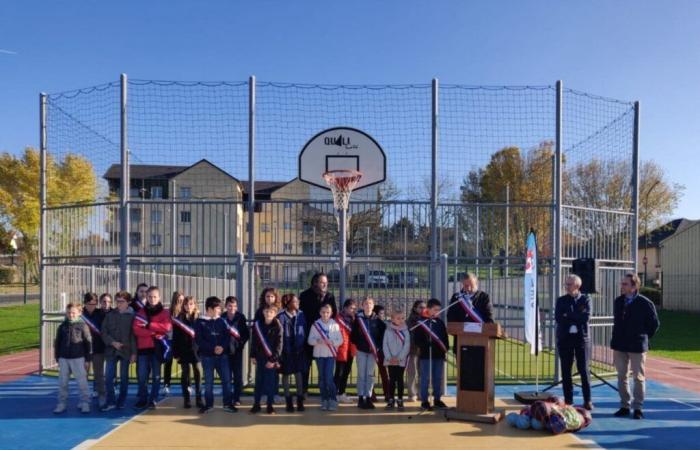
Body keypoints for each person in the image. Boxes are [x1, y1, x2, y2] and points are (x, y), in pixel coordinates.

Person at [611, 272, 660, 420]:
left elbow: (654, 324)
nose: (622, 286)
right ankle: (625, 405)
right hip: (620, 344)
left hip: (637, 345)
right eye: (622, 283)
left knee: (638, 377)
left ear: (634, 286)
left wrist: (643, 337)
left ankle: (638, 407)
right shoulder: (618, 301)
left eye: (625, 284)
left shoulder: (645, 303)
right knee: (621, 376)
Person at [555, 274, 593, 410]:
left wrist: (569, 314)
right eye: (566, 284)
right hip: (565, 339)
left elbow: (585, 317)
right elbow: (559, 317)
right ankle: (568, 400)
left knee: (584, 370)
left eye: (569, 284)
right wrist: (575, 315)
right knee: (566, 371)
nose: (566, 286)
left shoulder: (586, 299)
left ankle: (587, 400)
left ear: (577, 286)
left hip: (581, 340)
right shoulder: (561, 300)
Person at [132, 286, 172, 410]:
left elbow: (167, 328)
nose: (152, 299)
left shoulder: (165, 312)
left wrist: (149, 325)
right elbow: (137, 330)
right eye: (150, 296)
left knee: (156, 375)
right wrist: (154, 332)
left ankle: (153, 399)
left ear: (159, 297)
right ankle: (143, 398)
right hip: (143, 348)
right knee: (142, 375)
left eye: (155, 296)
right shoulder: (141, 312)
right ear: (146, 297)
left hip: (157, 348)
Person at [195, 296, 235, 414]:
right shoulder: (200, 322)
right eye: (218, 308)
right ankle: (208, 405)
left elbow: (227, 336)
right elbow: (199, 340)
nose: (220, 310)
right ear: (210, 309)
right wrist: (213, 348)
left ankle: (227, 404)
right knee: (208, 382)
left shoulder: (222, 321)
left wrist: (222, 347)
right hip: (207, 357)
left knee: (226, 380)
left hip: (223, 356)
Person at [299, 273, 337, 394]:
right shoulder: (304, 295)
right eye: (322, 282)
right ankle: (303, 392)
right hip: (309, 336)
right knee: (305, 367)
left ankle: (325, 392)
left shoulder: (330, 297)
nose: (325, 284)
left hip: (325, 338)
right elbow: (301, 315)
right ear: (315, 283)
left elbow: (334, 314)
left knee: (324, 368)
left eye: (326, 282)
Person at [100, 290, 136, 411]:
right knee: (109, 377)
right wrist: (112, 342)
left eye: (122, 301)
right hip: (111, 351)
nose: (119, 304)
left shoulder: (132, 317)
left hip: (126, 352)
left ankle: (121, 400)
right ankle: (111, 401)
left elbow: (133, 336)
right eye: (118, 301)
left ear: (128, 303)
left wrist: (134, 353)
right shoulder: (110, 315)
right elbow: (104, 332)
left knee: (124, 378)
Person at [53, 303, 92, 414]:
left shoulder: (83, 326)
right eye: (69, 312)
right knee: (63, 383)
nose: (71, 315)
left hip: (78, 358)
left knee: (82, 382)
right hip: (64, 358)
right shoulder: (62, 327)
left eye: (73, 312)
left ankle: (85, 402)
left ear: (79, 313)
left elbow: (88, 343)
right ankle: (62, 403)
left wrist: (88, 359)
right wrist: (57, 357)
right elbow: (58, 343)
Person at [350, 296, 385, 409]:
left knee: (370, 375)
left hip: (372, 352)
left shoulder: (377, 320)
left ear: (373, 306)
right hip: (361, 351)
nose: (368, 306)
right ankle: (360, 398)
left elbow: (382, 335)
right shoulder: (358, 320)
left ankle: (368, 398)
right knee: (361, 374)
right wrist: (360, 344)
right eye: (366, 304)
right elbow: (353, 335)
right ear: (362, 306)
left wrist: (377, 347)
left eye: (370, 304)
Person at [414, 298, 449, 411]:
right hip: (426, 355)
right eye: (435, 310)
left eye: (439, 310)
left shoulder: (440, 323)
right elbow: (417, 339)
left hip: (438, 355)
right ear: (428, 309)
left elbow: (445, 338)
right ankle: (424, 400)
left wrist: (445, 349)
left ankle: (437, 399)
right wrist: (425, 344)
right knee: (425, 378)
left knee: (437, 378)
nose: (437, 312)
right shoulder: (421, 322)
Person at [308, 304, 343, 411]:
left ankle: (332, 399)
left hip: (330, 355)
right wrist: (317, 341)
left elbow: (340, 340)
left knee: (329, 378)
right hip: (319, 355)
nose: (325, 314)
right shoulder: (315, 325)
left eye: (327, 312)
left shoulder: (335, 325)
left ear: (331, 313)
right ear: (320, 313)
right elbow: (310, 340)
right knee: (322, 379)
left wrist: (331, 342)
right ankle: (324, 399)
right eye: (323, 312)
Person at [447, 273, 494, 352]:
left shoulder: (484, 297)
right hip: (461, 341)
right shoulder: (456, 297)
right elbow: (450, 317)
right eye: (465, 285)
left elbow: (489, 317)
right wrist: (461, 328)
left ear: (476, 283)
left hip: (480, 342)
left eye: (471, 285)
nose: (468, 288)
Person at [250, 305, 283, 414]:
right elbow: (254, 341)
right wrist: (253, 355)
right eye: (266, 311)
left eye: (271, 312)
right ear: (263, 312)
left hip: (271, 359)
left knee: (270, 383)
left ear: (275, 314)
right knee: (258, 382)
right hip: (260, 357)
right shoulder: (258, 325)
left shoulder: (278, 326)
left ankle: (269, 405)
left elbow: (279, 345)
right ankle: (256, 404)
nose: (268, 314)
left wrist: (273, 360)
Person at [277, 293, 307, 412]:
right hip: (286, 351)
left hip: (298, 351)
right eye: (295, 301)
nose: (297, 303)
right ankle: (288, 401)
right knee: (285, 375)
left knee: (299, 375)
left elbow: (304, 330)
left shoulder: (301, 315)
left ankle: (300, 401)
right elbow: (279, 336)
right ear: (288, 303)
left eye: (297, 301)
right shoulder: (281, 316)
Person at [173, 295, 202, 409]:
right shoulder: (179, 319)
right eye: (186, 304)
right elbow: (175, 338)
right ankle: (187, 399)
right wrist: (176, 353)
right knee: (185, 375)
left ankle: (199, 399)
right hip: (183, 351)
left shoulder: (199, 319)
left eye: (191, 304)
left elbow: (202, 336)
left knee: (198, 374)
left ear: (195, 305)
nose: (188, 306)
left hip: (196, 351)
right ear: (183, 305)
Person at [254, 287, 282, 402]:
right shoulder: (259, 311)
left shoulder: (280, 312)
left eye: (272, 296)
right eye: (267, 296)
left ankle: (274, 393)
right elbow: (256, 332)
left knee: (274, 372)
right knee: (261, 374)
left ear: (276, 297)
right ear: (263, 298)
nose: (269, 298)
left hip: (275, 349)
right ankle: (263, 395)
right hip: (262, 350)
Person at [223, 296, 249, 407]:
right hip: (225, 352)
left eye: (234, 306)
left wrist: (240, 344)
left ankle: (237, 398)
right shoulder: (222, 317)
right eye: (230, 305)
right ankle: (228, 399)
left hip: (237, 352)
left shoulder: (241, 317)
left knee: (238, 376)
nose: (232, 308)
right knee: (227, 377)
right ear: (226, 306)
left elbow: (246, 334)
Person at [383, 308, 411, 410]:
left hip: (401, 360)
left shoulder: (406, 331)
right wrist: (389, 357)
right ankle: (391, 399)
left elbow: (407, 346)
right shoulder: (388, 330)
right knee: (392, 380)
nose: (401, 320)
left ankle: (400, 399)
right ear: (392, 319)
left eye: (403, 318)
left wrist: (399, 358)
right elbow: (385, 345)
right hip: (390, 360)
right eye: (398, 318)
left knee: (400, 380)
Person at [82, 292, 106, 407]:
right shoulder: (80, 314)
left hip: (98, 348)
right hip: (84, 350)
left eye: (94, 304)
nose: (92, 306)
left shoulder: (101, 314)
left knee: (99, 374)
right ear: (85, 303)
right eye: (89, 304)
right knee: (83, 375)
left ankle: (102, 396)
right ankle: (84, 399)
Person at [334, 298, 357, 404]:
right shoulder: (338, 318)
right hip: (341, 348)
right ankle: (334, 394)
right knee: (339, 373)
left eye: (354, 308)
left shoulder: (354, 319)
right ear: (345, 308)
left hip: (350, 349)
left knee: (346, 372)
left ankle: (341, 393)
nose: (352, 310)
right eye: (350, 308)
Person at [162, 290, 185, 396]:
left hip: (181, 341)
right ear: (174, 300)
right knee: (168, 363)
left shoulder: (185, 312)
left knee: (184, 364)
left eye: (182, 300)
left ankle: (186, 385)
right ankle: (166, 385)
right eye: (178, 300)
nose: (180, 302)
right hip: (170, 340)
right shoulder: (168, 312)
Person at [405, 300, 426, 402]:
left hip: (423, 350)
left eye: (424, 307)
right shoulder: (410, 321)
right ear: (415, 308)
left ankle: (421, 393)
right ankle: (412, 394)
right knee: (412, 374)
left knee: (423, 373)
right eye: (420, 307)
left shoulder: (426, 319)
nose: (423, 309)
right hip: (412, 350)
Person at [371, 304, 390, 405]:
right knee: (374, 373)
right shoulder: (375, 323)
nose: (382, 315)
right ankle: (374, 394)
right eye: (380, 313)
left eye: (383, 313)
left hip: (381, 351)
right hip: (375, 351)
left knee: (383, 373)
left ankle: (386, 393)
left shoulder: (384, 324)